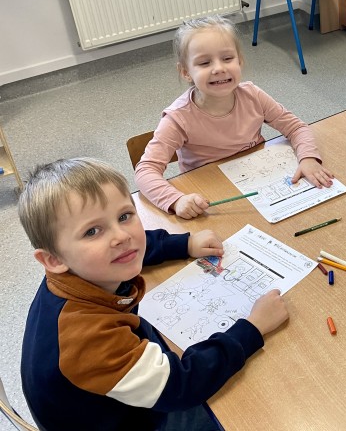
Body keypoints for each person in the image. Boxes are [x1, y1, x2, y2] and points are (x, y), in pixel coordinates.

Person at [19, 157, 288, 431]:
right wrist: (252, 328)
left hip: (107, 400)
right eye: (92, 231)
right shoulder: (87, 339)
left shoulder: (74, 270)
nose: (122, 237)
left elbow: (135, 244)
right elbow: (180, 386)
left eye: (124, 216)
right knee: (252, 411)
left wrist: (184, 244)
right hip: (127, 422)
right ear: (52, 259)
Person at [135, 15, 333, 219]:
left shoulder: (253, 95)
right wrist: (176, 200)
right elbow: (145, 171)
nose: (219, 68)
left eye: (227, 58)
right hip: (214, 196)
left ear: (240, 60)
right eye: (204, 62)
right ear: (185, 72)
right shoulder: (178, 118)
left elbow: (296, 128)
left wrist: (308, 158)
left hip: (259, 183)